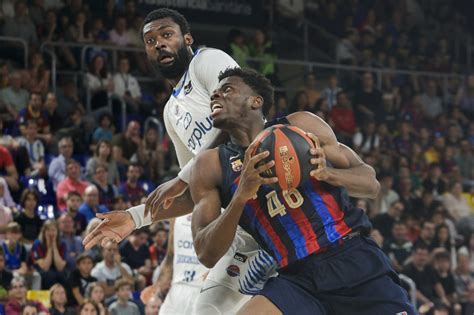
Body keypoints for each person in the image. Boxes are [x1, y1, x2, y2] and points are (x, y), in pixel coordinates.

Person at [83, 8, 275, 313]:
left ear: (187, 38)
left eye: (166, 35)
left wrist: (182, 176)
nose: (159, 43)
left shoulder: (207, 61)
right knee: (207, 309)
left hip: (273, 195)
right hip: (240, 224)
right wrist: (135, 218)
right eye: (150, 40)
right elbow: (195, 190)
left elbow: (245, 114)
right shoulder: (170, 114)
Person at [188, 67, 415, 314]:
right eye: (214, 92)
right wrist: (241, 196)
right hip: (297, 279)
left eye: (227, 89)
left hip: (351, 257)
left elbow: (371, 184)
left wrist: (329, 173)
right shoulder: (211, 166)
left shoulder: (301, 126)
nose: (215, 96)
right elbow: (205, 252)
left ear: (256, 101)